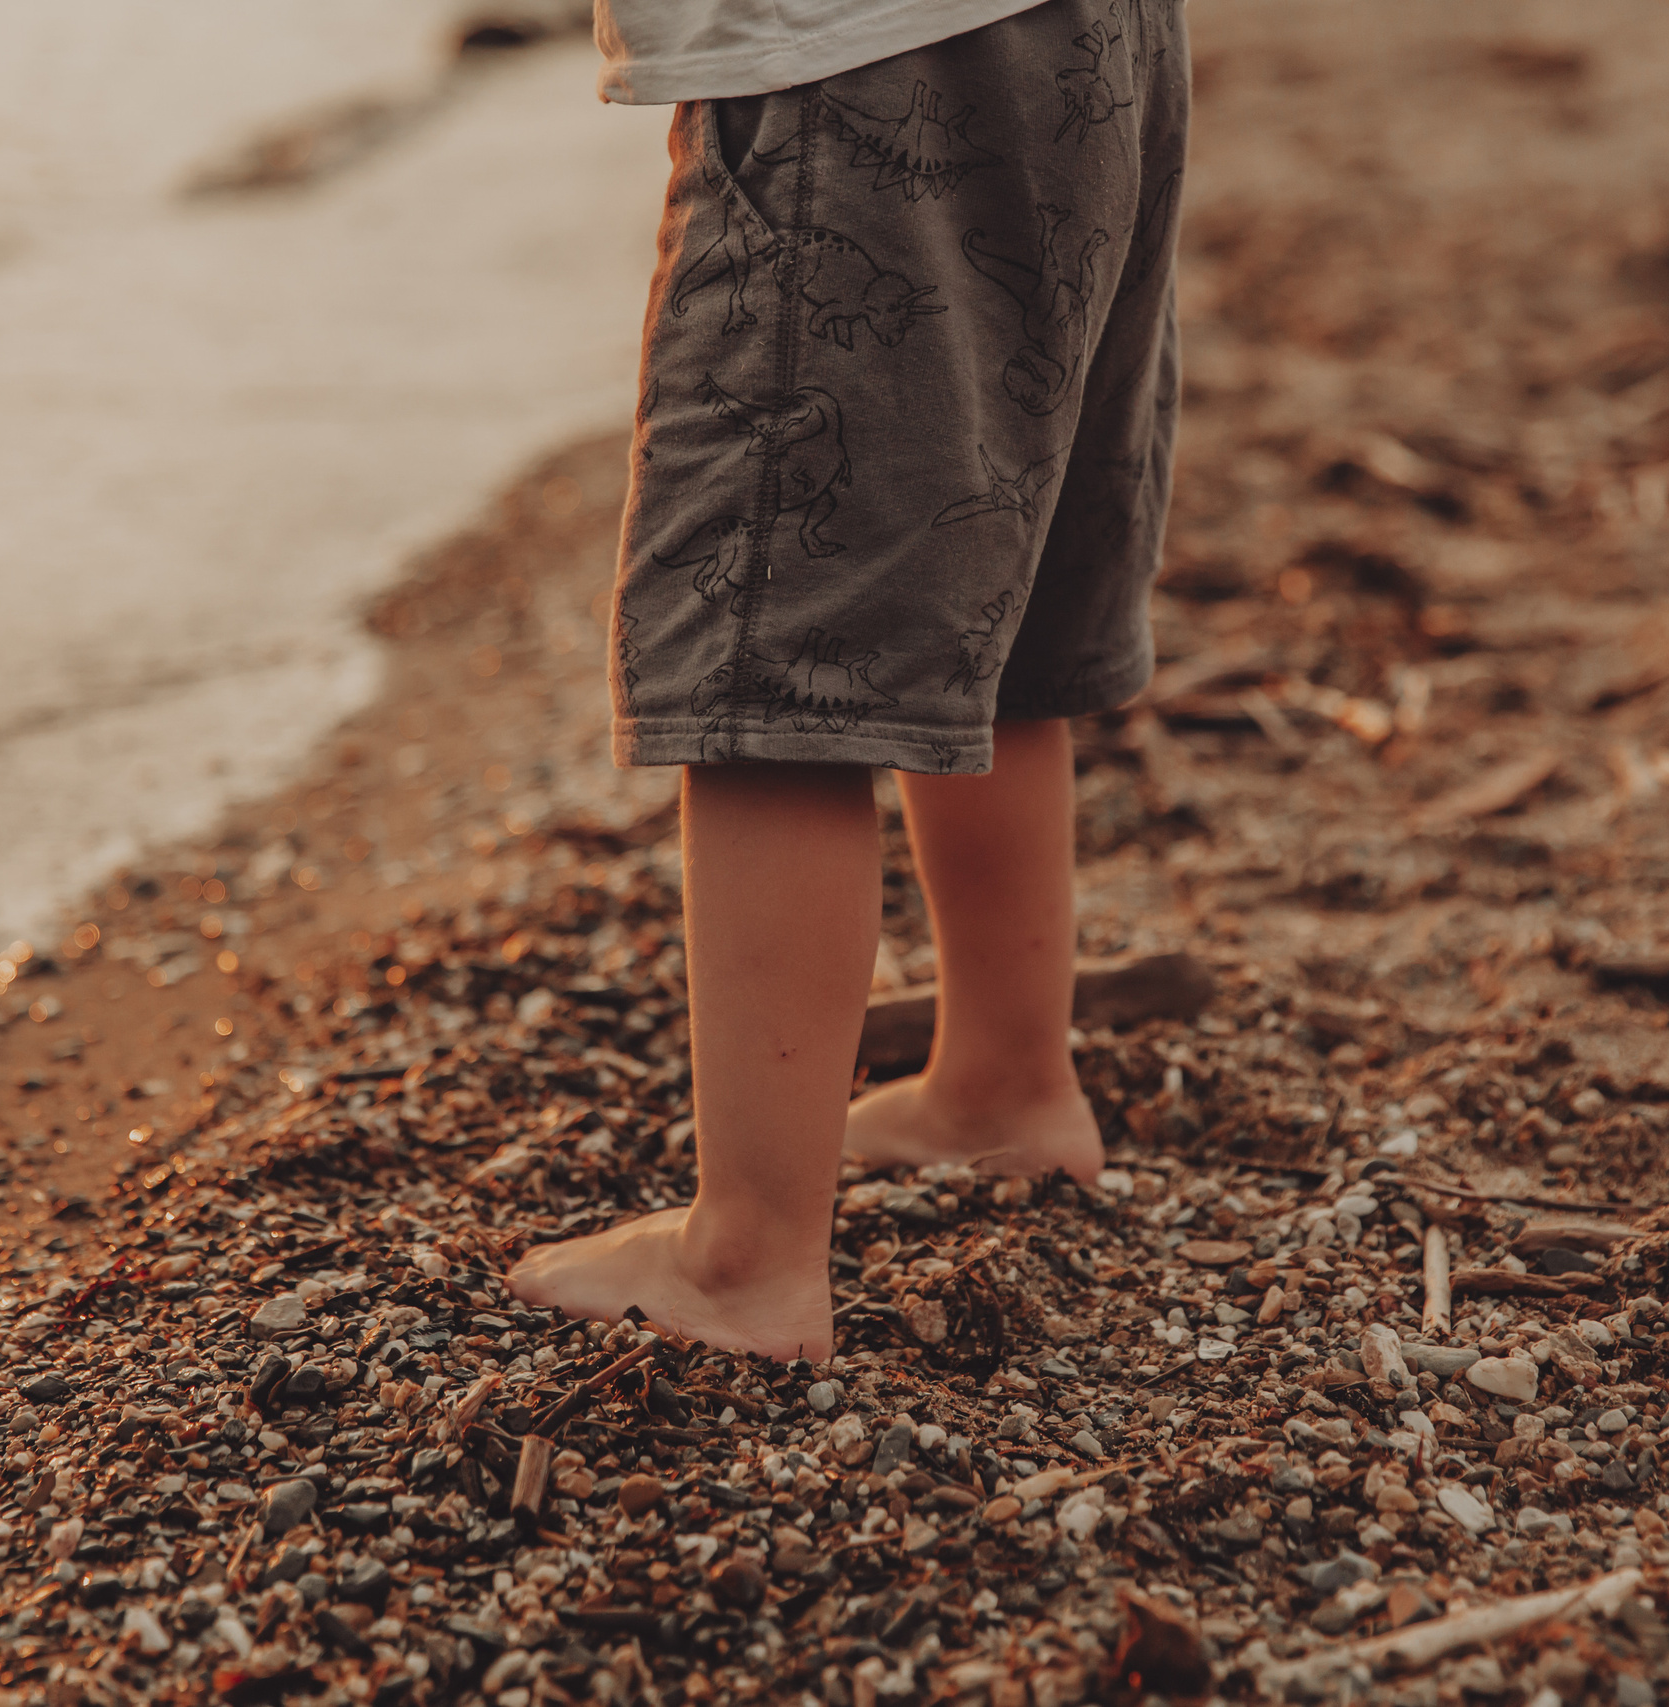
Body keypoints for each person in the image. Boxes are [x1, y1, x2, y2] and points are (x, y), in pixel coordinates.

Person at [509, 0, 1191, 1361]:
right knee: (986, 553)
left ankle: (750, 1256)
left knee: (778, 652)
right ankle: (1006, 1081)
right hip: (1085, 39)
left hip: (861, 55)